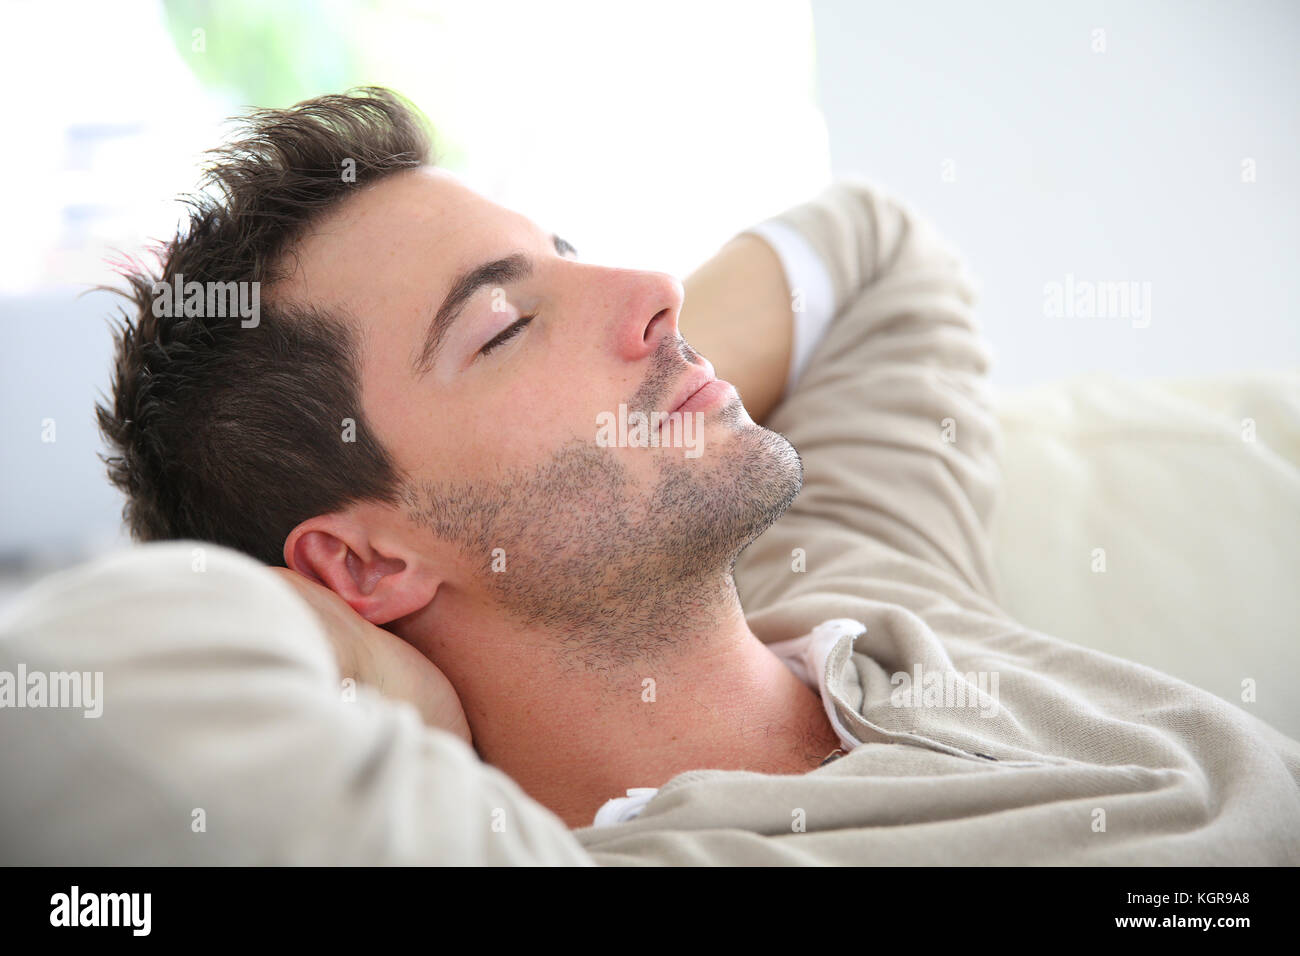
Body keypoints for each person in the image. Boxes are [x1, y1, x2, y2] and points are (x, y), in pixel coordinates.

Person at [82, 88, 1300, 853]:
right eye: (503, 326)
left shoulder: (868, 587)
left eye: (565, 256)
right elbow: (102, 672)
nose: (654, 290)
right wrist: (410, 703)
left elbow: (873, 255)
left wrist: (649, 390)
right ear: (361, 558)